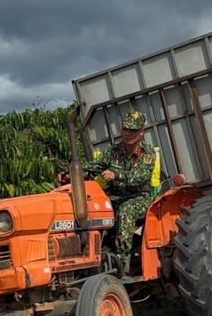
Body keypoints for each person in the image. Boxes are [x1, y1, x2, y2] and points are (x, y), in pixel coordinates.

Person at [59, 110, 156, 261]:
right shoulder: (113, 151)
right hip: (113, 196)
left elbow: (141, 177)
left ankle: (121, 260)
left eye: (133, 130)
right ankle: (89, 251)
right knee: (88, 206)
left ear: (141, 132)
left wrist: (116, 175)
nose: (128, 133)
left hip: (138, 197)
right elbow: (94, 166)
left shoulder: (147, 153)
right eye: (125, 129)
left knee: (125, 212)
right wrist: (71, 175)